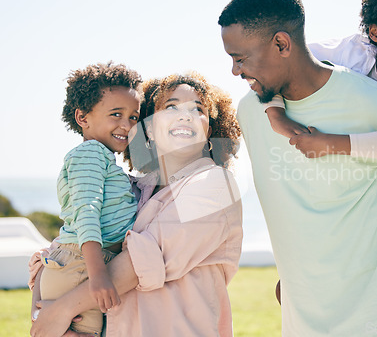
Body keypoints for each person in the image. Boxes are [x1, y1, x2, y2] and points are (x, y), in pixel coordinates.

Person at [219, 0, 377, 336]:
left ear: (282, 44)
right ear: (375, 31)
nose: (236, 71)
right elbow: (303, 61)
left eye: (241, 59)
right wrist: (273, 110)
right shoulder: (257, 104)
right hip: (308, 322)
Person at [30, 72, 243, 337]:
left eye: (197, 109)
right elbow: (59, 251)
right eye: (172, 106)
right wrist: (42, 315)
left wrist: (61, 311)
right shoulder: (129, 190)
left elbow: (140, 263)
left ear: (208, 129)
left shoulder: (215, 185)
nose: (185, 115)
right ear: (149, 129)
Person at [30, 62, 142, 335]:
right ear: (83, 118)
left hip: (88, 263)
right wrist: (98, 275)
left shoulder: (103, 158)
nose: (126, 125)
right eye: (116, 114)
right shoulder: (90, 153)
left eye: (133, 117)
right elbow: (86, 213)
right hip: (84, 265)